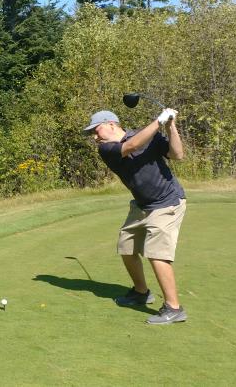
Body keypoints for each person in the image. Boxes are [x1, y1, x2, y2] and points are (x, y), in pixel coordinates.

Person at [83, 107, 187, 325]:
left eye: (96, 130)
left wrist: (171, 126)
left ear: (111, 124)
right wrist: (158, 121)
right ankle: (141, 292)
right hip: (141, 206)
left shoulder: (150, 136)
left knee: (157, 254)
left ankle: (174, 308)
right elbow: (132, 146)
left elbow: (177, 155)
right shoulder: (106, 149)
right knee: (126, 246)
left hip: (167, 201)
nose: (94, 137)